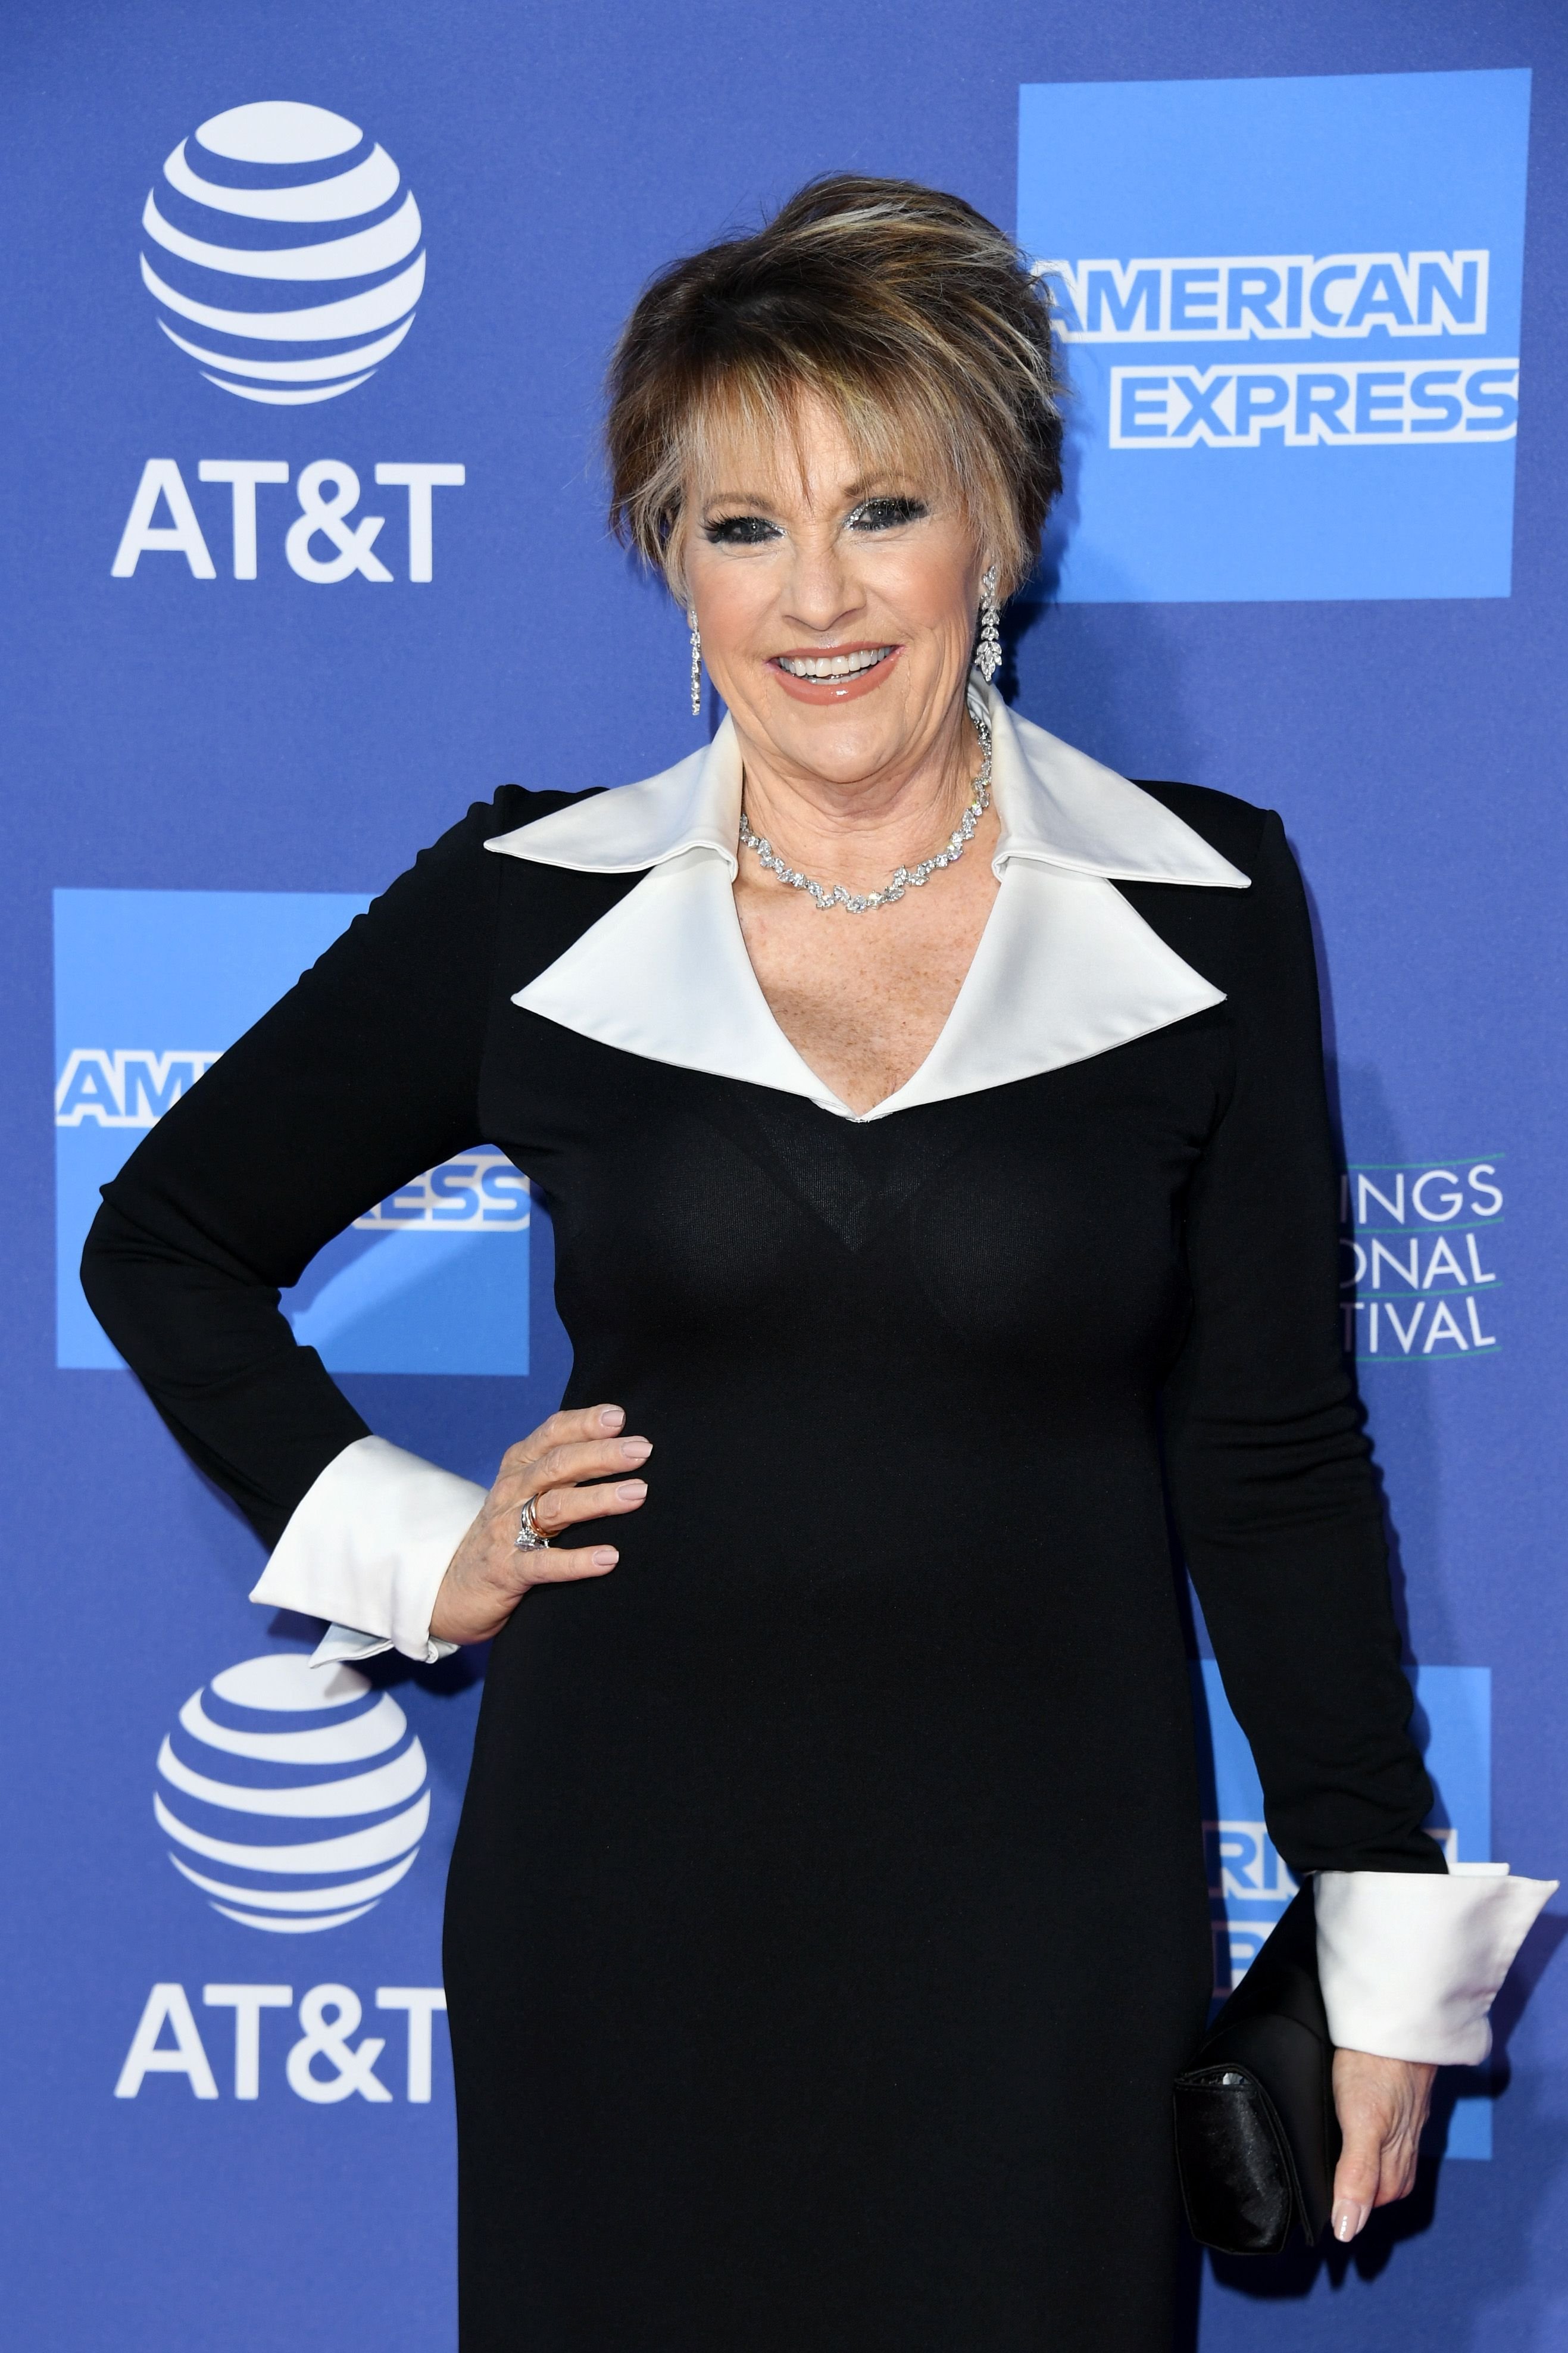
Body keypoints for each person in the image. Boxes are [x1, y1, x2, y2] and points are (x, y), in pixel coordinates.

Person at [83, 175, 1551, 2351]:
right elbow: (165, 1236)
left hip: (1047, 1919)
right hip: (622, 1901)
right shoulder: (533, 904)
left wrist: (1373, 1944)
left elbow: (1274, 1462)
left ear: (1003, 534)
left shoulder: (1205, 906)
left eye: (882, 507)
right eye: (738, 526)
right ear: (673, 571)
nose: (817, 596)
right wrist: (409, 1542)